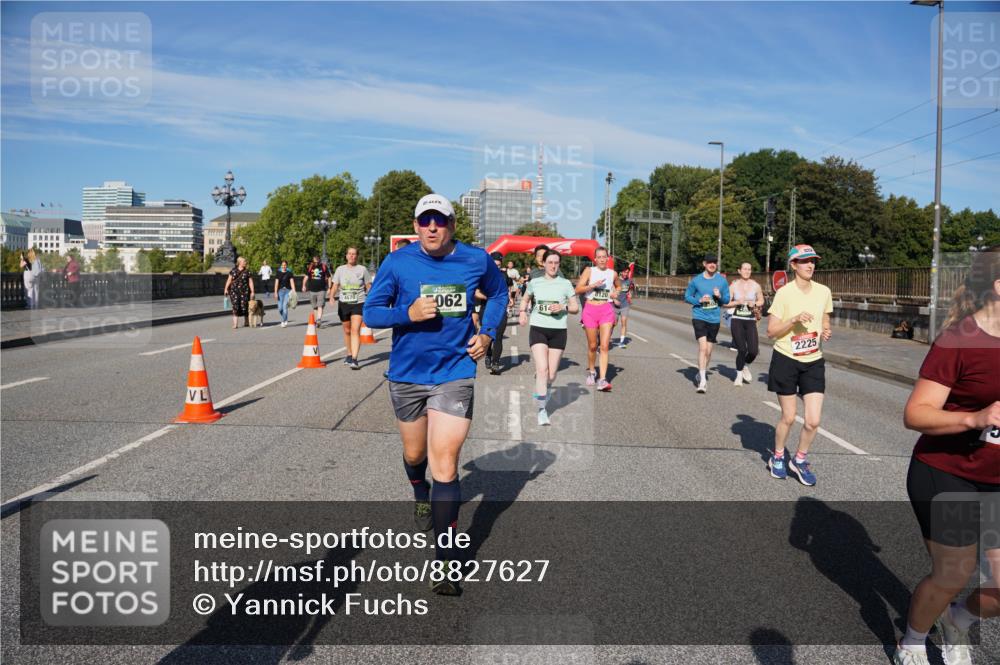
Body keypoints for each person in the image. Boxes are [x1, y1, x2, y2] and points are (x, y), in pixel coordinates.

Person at [363, 193, 507, 596]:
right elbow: (372, 312)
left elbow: (498, 294)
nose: (431, 227)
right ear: (415, 226)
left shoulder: (476, 259)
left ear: (452, 225)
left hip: (454, 372)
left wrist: (487, 333)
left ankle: (447, 563)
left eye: (439, 220)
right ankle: (417, 489)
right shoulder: (398, 262)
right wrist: (404, 314)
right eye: (424, 220)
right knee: (416, 455)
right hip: (407, 375)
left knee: (445, 462)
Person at [891, 247, 999, 665]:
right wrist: (975, 417)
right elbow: (915, 414)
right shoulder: (960, 340)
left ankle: (957, 619)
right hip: (946, 471)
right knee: (954, 572)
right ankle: (913, 642)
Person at [764, 245, 832, 486]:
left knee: (813, 420)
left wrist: (825, 328)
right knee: (789, 417)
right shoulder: (785, 294)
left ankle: (800, 460)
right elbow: (771, 331)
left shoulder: (824, 291)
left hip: (813, 360)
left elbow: (825, 314)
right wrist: (793, 320)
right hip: (786, 358)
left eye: (813, 261)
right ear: (793, 265)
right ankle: (779, 456)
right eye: (804, 261)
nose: (810, 265)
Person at [519, 250, 580, 425]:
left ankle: (544, 384)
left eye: (556, 263)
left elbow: (575, 307)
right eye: (550, 262)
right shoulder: (535, 282)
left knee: (551, 374)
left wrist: (563, 307)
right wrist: (522, 313)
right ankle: (542, 410)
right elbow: (525, 299)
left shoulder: (566, 283)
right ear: (544, 264)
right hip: (538, 328)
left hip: (558, 331)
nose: (553, 266)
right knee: (542, 369)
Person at [683, 253, 731, 393]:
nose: (712, 264)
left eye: (714, 262)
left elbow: (726, 300)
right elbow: (687, 296)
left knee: (709, 352)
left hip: (714, 319)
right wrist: (698, 301)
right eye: (709, 262)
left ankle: (701, 372)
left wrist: (719, 297)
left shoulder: (721, 281)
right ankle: (703, 381)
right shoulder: (696, 280)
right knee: (703, 348)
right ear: (704, 264)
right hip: (699, 316)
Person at [576, 247, 619, 392]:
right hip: (590, 310)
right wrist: (593, 285)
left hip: (606, 310)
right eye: (599, 257)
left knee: (605, 346)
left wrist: (615, 293)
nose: (601, 259)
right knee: (593, 346)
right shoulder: (589, 270)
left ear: (608, 258)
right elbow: (578, 289)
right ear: (595, 259)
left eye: (604, 257)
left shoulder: (612, 274)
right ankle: (592, 371)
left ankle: (603, 379)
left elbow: (619, 287)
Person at [331, 247, 372, 369]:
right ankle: (349, 354)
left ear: (357, 256)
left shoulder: (362, 270)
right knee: (347, 330)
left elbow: (369, 286)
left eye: (354, 254)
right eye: (349, 254)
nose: (351, 256)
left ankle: (354, 359)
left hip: (358, 302)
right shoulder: (340, 270)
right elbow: (335, 285)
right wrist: (332, 296)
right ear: (346, 256)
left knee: (355, 330)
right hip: (344, 303)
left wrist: (371, 298)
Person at [725, 261, 764, 386]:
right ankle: (739, 375)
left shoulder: (756, 285)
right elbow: (725, 303)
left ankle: (745, 365)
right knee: (742, 349)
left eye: (749, 269)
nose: (747, 271)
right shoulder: (733, 286)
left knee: (753, 351)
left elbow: (761, 300)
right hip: (737, 320)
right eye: (745, 269)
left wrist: (756, 304)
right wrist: (737, 302)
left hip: (750, 320)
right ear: (739, 271)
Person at [484, 252, 512, 374]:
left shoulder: (504, 275)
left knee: (498, 337)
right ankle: (488, 354)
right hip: (487, 310)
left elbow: (509, 289)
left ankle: (495, 363)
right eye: (495, 265)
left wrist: (510, 299)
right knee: (489, 337)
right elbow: (476, 292)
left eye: (499, 265)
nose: (497, 267)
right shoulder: (483, 275)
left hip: (501, 310)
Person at [224, 256, 255, 329]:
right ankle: (235, 324)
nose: (245, 262)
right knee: (235, 306)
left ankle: (246, 321)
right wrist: (225, 289)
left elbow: (250, 282)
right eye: (244, 261)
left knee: (245, 306)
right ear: (240, 263)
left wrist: (252, 291)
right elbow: (229, 280)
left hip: (245, 291)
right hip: (234, 291)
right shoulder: (233, 271)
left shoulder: (247, 272)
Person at [302, 256, 330, 327]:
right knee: (314, 307)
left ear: (319, 261)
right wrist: (304, 285)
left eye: (317, 262)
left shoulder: (323, 267)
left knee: (320, 305)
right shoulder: (310, 267)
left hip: (322, 289)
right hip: (312, 290)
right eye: (315, 262)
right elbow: (306, 277)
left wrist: (329, 287)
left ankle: (318, 319)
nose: (316, 263)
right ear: (313, 261)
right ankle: (317, 319)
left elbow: (329, 277)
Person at [613, 267, 634, 347]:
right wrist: (614, 299)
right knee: (613, 324)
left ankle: (622, 342)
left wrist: (630, 293)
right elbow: (611, 290)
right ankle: (605, 339)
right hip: (615, 305)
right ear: (621, 272)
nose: (625, 274)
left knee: (624, 322)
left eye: (627, 272)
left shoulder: (629, 281)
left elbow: (630, 289)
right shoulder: (616, 280)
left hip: (625, 304)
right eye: (624, 272)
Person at [273, 260, 296, 327]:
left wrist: (294, 291)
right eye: (282, 265)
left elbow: (292, 283)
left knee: (284, 307)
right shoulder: (278, 273)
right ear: (281, 266)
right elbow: (276, 284)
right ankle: (285, 318)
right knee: (280, 308)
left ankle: (283, 321)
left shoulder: (289, 273)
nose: (284, 266)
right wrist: (275, 292)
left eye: (285, 265)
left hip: (287, 291)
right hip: (280, 291)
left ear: (287, 266)